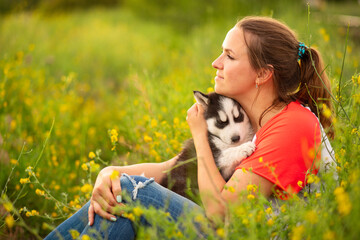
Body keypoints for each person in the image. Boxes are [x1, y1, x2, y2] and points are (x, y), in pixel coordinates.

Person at [44, 16, 333, 239]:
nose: (215, 63)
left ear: (263, 74)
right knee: (119, 189)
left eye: (229, 56)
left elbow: (222, 212)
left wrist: (199, 132)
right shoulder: (250, 118)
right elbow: (174, 167)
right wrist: (108, 174)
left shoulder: (292, 125)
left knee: (133, 193)